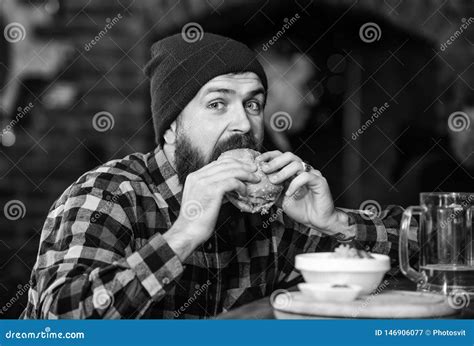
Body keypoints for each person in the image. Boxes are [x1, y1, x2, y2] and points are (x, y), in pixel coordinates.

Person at [22, 33, 417, 319]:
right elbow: (60, 319)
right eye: (216, 103)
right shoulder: (110, 195)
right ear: (172, 126)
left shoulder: (271, 213)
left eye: (253, 104)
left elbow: (426, 250)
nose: (242, 123)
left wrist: (334, 223)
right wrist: (183, 235)